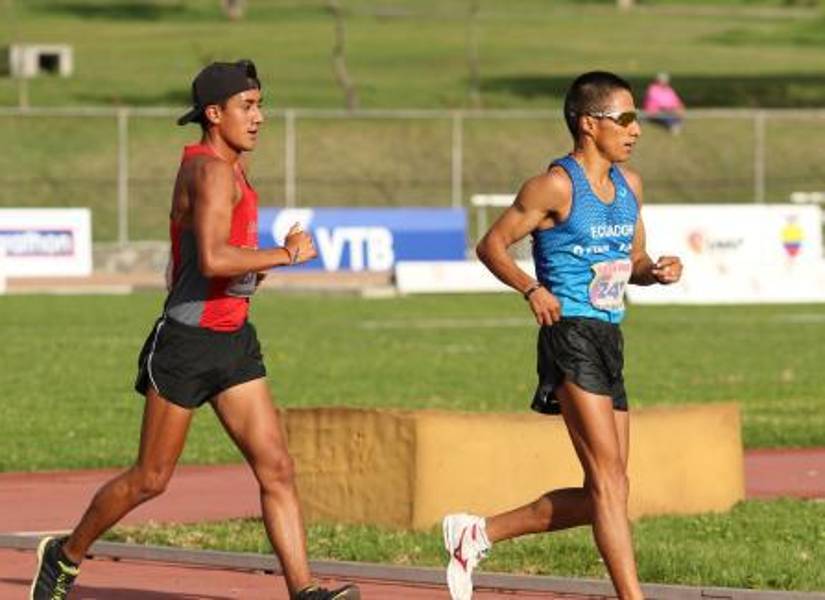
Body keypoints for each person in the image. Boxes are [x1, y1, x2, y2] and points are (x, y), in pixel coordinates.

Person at [30, 60, 360, 600]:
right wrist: (284, 254)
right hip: (186, 346)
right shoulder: (208, 170)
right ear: (214, 113)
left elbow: (192, 262)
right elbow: (209, 258)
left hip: (233, 342)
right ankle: (64, 555)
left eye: (260, 105)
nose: (259, 117)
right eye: (247, 107)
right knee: (151, 479)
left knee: (277, 467)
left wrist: (253, 272)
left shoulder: (231, 170)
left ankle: (304, 591)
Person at [442, 71, 683, 600]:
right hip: (568, 331)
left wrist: (656, 270)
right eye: (624, 118)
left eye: (636, 117)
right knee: (606, 482)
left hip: (609, 335)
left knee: (613, 489)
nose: (636, 129)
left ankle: (477, 532)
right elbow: (492, 246)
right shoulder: (554, 185)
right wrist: (531, 289)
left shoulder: (630, 186)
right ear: (588, 123)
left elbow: (633, 260)